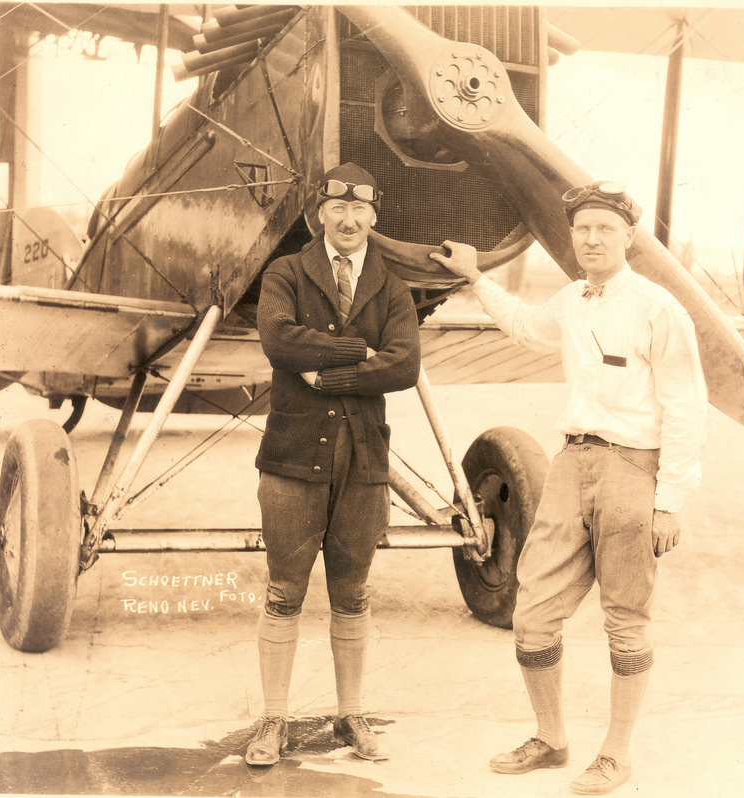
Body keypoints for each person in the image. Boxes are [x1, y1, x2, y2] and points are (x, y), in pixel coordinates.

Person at [430, 181, 708, 795]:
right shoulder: (575, 300)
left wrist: (669, 502)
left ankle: (616, 754)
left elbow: (687, 408)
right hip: (569, 464)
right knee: (531, 614)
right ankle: (551, 738)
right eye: (582, 229)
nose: (590, 238)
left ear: (628, 237)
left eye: (604, 229)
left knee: (626, 623)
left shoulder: (658, 308)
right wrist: (477, 278)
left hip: (634, 469)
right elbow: (529, 328)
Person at [246, 162, 421, 766]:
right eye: (337, 209)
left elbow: (404, 366)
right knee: (283, 593)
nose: (349, 220)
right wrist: (358, 350)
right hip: (293, 458)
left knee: (352, 594)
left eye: (361, 209)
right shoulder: (286, 272)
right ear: (319, 212)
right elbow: (278, 341)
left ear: (375, 215)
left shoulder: (392, 287)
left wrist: (326, 370)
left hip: (363, 462)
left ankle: (351, 716)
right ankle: (273, 721)